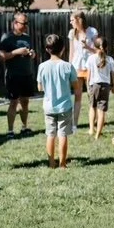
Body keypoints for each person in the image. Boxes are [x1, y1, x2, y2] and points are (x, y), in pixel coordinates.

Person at [37, 34, 78, 169]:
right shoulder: (68, 66)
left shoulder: (42, 66)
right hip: (65, 106)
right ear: (63, 49)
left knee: (50, 134)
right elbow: (75, 85)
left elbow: (39, 87)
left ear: (47, 49)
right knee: (63, 135)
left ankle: (51, 163)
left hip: (49, 107)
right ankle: (62, 163)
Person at [0, 13, 36, 140]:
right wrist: (16, 52)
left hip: (27, 74)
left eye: (26, 23)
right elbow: (1, 56)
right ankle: (10, 130)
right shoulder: (7, 38)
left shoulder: (27, 38)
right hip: (13, 75)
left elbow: (32, 53)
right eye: (22, 23)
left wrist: (32, 54)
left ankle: (24, 127)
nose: (25, 26)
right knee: (14, 102)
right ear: (15, 23)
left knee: (25, 102)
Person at [68, 11, 98, 132]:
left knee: (92, 96)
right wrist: (69, 67)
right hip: (77, 67)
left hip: (90, 67)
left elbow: (97, 50)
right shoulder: (72, 33)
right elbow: (71, 52)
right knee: (77, 96)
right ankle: (74, 125)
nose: (71, 22)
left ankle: (93, 125)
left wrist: (88, 47)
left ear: (79, 19)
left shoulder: (92, 32)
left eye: (72, 20)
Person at [86, 36, 114, 139]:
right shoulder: (110, 59)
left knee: (92, 107)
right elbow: (113, 75)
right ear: (106, 47)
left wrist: (87, 86)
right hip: (105, 86)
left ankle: (91, 129)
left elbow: (88, 75)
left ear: (94, 47)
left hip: (93, 85)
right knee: (101, 111)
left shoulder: (91, 58)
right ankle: (98, 134)